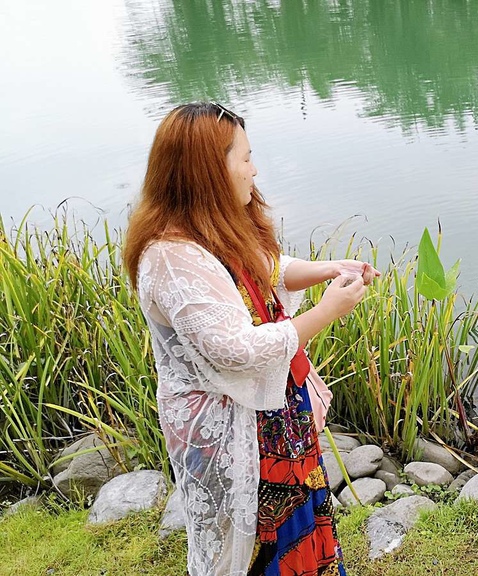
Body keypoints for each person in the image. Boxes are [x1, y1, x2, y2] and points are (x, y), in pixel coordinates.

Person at [123, 102, 374, 575]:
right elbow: (238, 352)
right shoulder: (172, 256)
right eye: (244, 158)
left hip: (275, 422)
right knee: (247, 552)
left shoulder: (211, 227)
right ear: (209, 171)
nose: (254, 169)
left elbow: (267, 270)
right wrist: (327, 311)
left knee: (300, 534)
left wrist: (330, 270)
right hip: (238, 431)